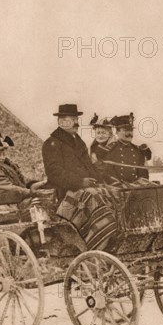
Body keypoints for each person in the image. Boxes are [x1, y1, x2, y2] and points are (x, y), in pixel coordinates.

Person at [42, 104, 118, 250]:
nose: (76, 123)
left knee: (111, 193)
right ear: (61, 122)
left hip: (83, 189)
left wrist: (101, 183)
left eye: (76, 119)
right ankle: (97, 240)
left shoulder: (78, 141)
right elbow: (54, 172)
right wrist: (80, 182)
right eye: (72, 119)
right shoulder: (52, 143)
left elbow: (90, 168)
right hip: (64, 193)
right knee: (92, 197)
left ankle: (112, 235)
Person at [0, 133, 46, 199]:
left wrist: (40, 183)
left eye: (4, 154)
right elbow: (9, 189)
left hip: (17, 197)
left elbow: (22, 181)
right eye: (0, 155)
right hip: (7, 203)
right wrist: (29, 192)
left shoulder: (7, 166)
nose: (3, 157)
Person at [105, 113, 152, 183]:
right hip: (117, 188)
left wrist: (142, 181)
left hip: (135, 188)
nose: (129, 133)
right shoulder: (109, 149)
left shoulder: (138, 150)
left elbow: (143, 172)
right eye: (125, 130)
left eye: (131, 130)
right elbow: (108, 173)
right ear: (117, 132)